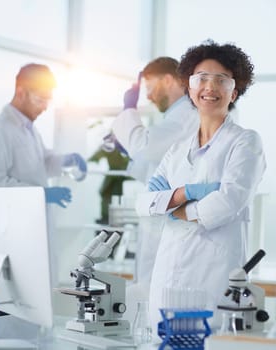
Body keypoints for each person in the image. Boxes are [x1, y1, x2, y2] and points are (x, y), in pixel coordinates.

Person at [136, 40, 266, 335]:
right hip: (167, 278)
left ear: (234, 91)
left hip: (212, 279)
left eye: (222, 80)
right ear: (189, 89)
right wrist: (187, 194)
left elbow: (227, 202)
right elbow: (144, 204)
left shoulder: (245, 142)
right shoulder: (177, 149)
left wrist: (172, 207)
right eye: (201, 79)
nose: (210, 87)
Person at [111, 57, 200, 289]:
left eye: (149, 87)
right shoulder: (175, 117)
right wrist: (128, 151)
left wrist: (129, 110)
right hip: (164, 214)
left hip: (171, 218)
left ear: (168, 80)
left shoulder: (186, 116)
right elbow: (154, 167)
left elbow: (146, 147)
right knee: (151, 287)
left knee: (158, 289)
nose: (148, 96)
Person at [0, 63, 87, 207]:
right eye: (40, 100)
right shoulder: (0, 128)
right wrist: (41, 194)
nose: (45, 107)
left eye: (48, 101)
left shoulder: (29, 129)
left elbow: (41, 164)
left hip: (32, 218)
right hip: (13, 221)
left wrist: (65, 161)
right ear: (21, 93)